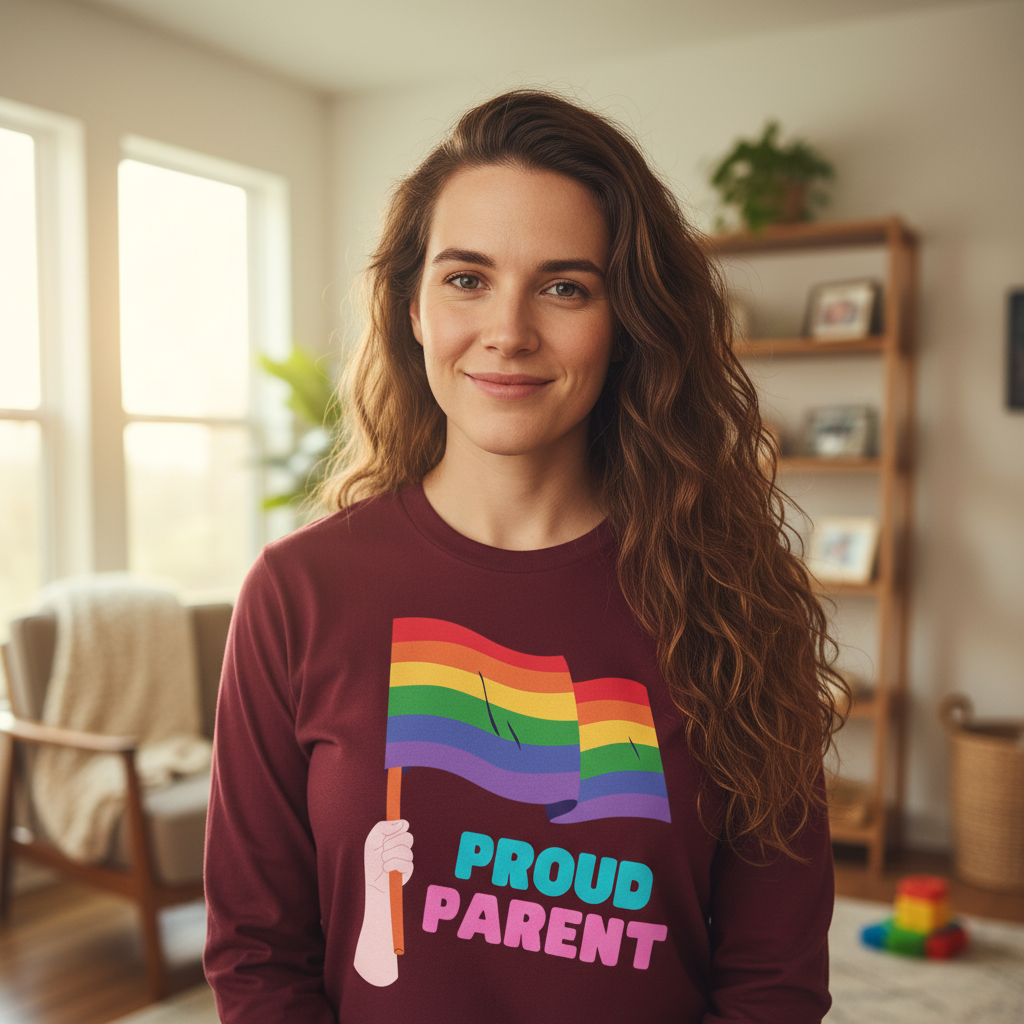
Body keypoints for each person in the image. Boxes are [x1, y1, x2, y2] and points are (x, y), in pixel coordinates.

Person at [204, 89, 844, 1023]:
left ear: (624, 322)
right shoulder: (300, 593)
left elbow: (773, 983)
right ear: (413, 307)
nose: (508, 330)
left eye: (564, 286)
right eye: (467, 278)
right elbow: (258, 956)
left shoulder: (736, 604)